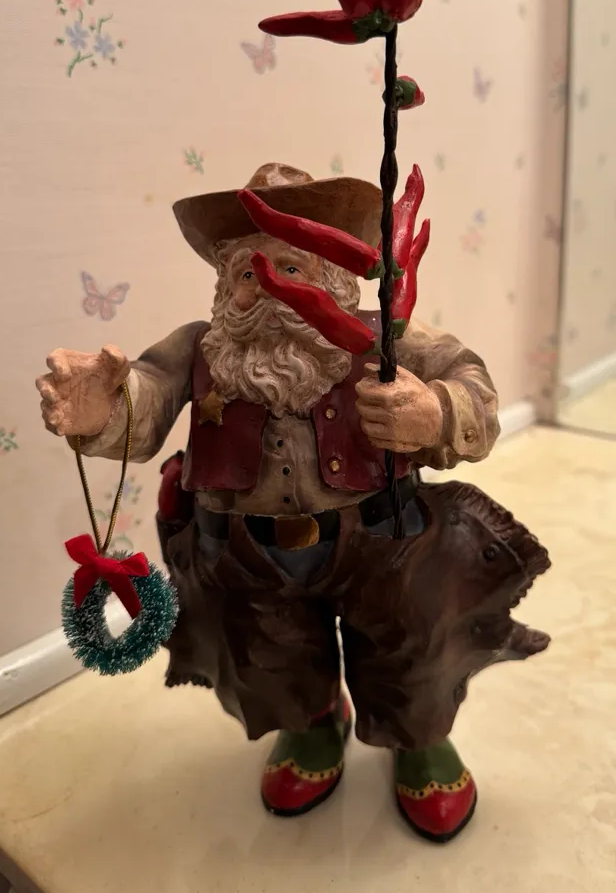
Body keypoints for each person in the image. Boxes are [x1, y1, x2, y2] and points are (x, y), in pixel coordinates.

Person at [36, 163, 550, 843]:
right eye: (248, 274)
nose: (270, 289)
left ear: (335, 278)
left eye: (291, 268)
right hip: (247, 554)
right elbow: (147, 397)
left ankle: (418, 737)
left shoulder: (389, 338)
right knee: (268, 655)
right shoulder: (199, 348)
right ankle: (312, 725)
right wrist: (105, 407)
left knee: (410, 644)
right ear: (225, 286)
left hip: (385, 546)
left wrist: (438, 411)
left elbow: (469, 380)